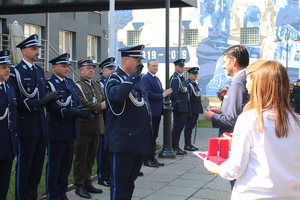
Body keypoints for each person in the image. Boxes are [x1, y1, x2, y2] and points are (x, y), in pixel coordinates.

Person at [204, 60, 300, 200]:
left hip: (254, 194)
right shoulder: (297, 120)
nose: (247, 86)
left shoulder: (249, 119)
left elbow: (234, 169)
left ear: (259, 85)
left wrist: (213, 166)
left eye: (248, 80)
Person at [8, 34, 61, 200]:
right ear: (24, 51)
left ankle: (32, 196)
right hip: (26, 126)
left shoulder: (38, 71)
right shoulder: (15, 72)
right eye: (33, 49)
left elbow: (43, 94)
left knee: (37, 167)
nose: (37, 51)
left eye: (38, 48)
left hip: (41, 126)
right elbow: (15, 99)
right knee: (24, 167)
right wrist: (38, 103)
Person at [104, 44, 154, 200]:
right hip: (122, 141)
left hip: (137, 140)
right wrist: (132, 78)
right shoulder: (114, 77)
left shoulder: (136, 79)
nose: (140, 63)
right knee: (119, 183)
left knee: (130, 181)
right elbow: (116, 96)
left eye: (140, 60)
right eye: (137, 59)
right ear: (125, 60)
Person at [45, 53, 94, 200]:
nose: (67, 68)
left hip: (71, 130)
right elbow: (53, 108)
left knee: (66, 165)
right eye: (63, 66)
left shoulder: (69, 83)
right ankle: (53, 194)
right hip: (57, 129)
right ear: (54, 67)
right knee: (55, 165)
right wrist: (75, 112)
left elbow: (77, 101)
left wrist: (82, 111)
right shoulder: (50, 84)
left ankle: (61, 192)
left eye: (67, 66)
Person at [73, 58, 105, 198]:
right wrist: (99, 107)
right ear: (81, 70)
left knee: (91, 157)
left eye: (92, 68)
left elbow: (104, 99)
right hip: (84, 127)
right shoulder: (77, 85)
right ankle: (79, 185)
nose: (91, 70)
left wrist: (101, 105)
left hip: (96, 127)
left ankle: (87, 182)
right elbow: (81, 103)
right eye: (88, 68)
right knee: (81, 158)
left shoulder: (97, 85)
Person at [204, 45, 249, 137]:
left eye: (224, 62)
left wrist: (212, 116)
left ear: (233, 61)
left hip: (232, 137)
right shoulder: (242, 79)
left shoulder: (239, 83)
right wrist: (222, 111)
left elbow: (232, 120)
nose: (223, 67)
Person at [142, 59, 172, 167]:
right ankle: (147, 159)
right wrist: (162, 95)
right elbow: (148, 93)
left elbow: (160, 91)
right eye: (153, 66)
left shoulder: (156, 78)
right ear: (148, 67)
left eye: (156, 66)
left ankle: (152, 157)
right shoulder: (146, 78)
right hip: (151, 111)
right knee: (150, 136)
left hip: (157, 111)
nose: (155, 68)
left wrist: (165, 93)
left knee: (154, 135)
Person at [96, 57, 117, 187]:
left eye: (114, 68)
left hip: (112, 120)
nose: (113, 71)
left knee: (111, 150)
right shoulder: (100, 83)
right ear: (103, 70)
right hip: (104, 120)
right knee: (103, 151)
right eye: (110, 69)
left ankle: (110, 174)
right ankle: (102, 176)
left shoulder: (113, 81)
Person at [0, 50, 17, 199]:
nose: (8, 70)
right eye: (4, 67)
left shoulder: (10, 88)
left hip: (8, 145)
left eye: (8, 67)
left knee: (4, 183)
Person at [170, 58, 190, 155]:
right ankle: (174, 146)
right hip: (179, 106)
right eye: (180, 66)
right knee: (177, 127)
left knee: (181, 126)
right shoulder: (175, 78)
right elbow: (174, 94)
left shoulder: (182, 78)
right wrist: (177, 106)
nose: (182, 68)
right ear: (176, 67)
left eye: (182, 66)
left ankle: (177, 146)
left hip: (184, 105)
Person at [183, 67, 203, 151]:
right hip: (192, 108)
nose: (196, 75)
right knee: (188, 127)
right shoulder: (188, 84)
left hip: (196, 108)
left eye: (196, 74)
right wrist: (189, 110)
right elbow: (188, 98)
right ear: (190, 74)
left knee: (191, 126)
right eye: (194, 74)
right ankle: (187, 144)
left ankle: (189, 143)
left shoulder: (194, 84)